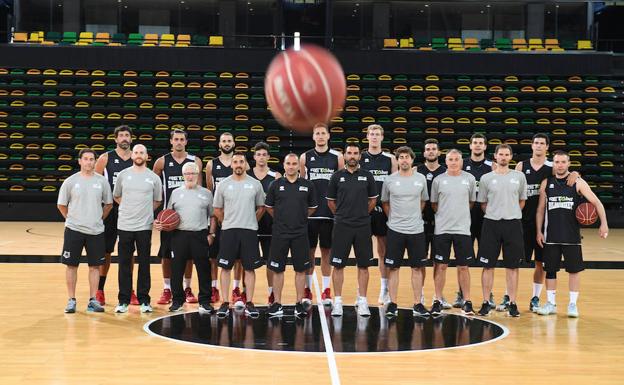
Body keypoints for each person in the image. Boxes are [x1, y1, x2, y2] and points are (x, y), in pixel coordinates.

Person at [535, 151, 608, 318]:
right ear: (553, 164)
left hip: (571, 236)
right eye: (557, 162)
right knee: (551, 271)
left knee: (574, 271)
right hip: (551, 235)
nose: (560, 165)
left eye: (563, 162)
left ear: (569, 164)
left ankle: (573, 304)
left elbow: (596, 202)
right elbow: (540, 210)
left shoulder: (577, 182)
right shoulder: (547, 183)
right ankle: (551, 303)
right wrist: (539, 231)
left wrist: (604, 223)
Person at [515, 134, 579, 312]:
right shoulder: (521, 166)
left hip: (542, 221)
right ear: (531, 145)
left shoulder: (552, 167)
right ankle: (509, 297)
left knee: (540, 262)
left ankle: (535, 297)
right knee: (514, 261)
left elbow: (565, 174)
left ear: (547, 147)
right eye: (536, 143)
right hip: (521, 219)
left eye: (542, 143)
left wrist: (575, 173)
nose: (538, 146)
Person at [58, 148, 113, 313]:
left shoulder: (102, 181)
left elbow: (108, 204)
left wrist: (98, 218)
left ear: (95, 162)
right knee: (71, 266)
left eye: (92, 159)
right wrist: (71, 219)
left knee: (94, 267)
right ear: (80, 161)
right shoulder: (70, 181)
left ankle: (93, 300)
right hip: (74, 229)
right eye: (86, 159)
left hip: (95, 231)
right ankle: (71, 300)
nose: (89, 162)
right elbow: (61, 204)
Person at [153, 129, 203, 305]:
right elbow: (154, 189)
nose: (179, 142)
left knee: (188, 256)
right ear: (171, 141)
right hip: (169, 218)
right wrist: (157, 216)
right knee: (166, 255)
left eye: (182, 139)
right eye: (176, 139)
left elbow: (201, 189)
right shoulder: (161, 162)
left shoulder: (195, 161)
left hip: (190, 218)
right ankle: (167, 289)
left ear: (186, 142)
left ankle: (187, 288)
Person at [476, 144, 527, 318]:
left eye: (507, 154)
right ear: (495, 157)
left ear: (511, 157)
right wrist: (495, 213)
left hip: (512, 224)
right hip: (491, 224)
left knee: (512, 267)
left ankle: (512, 303)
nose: (503, 157)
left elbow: (522, 200)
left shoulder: (519, 177)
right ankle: (486, 302)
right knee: (487, 265)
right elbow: (482, 203)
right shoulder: (486, 178)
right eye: (501, 154)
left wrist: (510, 212)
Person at [326, 143, 377, 317]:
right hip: (342, 226)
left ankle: (362, 301)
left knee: (363, 265)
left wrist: (361, 213)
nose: (353, 156)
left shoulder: (367, 176)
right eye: (349, 153)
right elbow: (331, 202)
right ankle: (338, 301)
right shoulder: (336, 176)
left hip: (362, 225)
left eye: (356, 153)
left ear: (360, 156)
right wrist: (342, 215)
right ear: (345, 156)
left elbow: (372, 201)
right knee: (338, 265)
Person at [156, 162, 214, 313]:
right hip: (179, 235)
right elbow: (168, 214)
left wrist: (211, 233)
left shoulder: (206, 193)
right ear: (183, 176)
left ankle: (205, 301)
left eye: (193, 173)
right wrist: (161, 224)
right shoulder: (175, 193)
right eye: (187, 173)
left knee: (203, 269)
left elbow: (213, 216)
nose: (190, 176)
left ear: (198, 175)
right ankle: (177, 300)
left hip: (200, 235)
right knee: (177, 269)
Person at [265, 154, 318, 317]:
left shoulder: (307, 185)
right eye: (288, 163)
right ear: (284, 164)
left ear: (299, 166)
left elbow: (312, 208)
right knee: (278, 269)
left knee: (301, 270)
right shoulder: (275, 184)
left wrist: (299, 218)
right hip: (280, 233)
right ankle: (277, 303)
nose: (291, 166)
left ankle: (298, 303)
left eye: (294, 164)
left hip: (300, 233)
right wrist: (282, 219)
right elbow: (269, 207)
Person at [213, 152, 265, 318]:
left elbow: (261, 207)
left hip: (249, 231)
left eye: (241, 162)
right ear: (231, 165)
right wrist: (226, 222)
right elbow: (217, 209)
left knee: (249, 268)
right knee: (226, 267)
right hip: (229, 230)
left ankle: (249, 301)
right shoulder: (223, 185)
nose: (238, 164)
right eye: (235, 162)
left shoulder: (255, 184)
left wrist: (251, 220)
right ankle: (225, 302)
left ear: (246, 164)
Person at [112, 144, 163, 313]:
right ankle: (123, 300)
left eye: (142, 152)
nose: (139, 155)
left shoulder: (153, 177)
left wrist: (145, 211)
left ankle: (144, 300)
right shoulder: (123, 175)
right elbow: (117, 195)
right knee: (124, 264)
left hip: (144, 226)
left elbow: (157, 200)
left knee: (144, 264)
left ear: (147, 156)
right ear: (132, 155)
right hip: (125, 225)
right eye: (136, 152)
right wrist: (129, 207)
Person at [380, 146, 428, 318]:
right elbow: (385, 202)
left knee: (417, 267)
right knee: (393, 268)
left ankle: (417, 303)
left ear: (412, 160)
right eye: (401, 157)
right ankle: (392, 303)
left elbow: (423, 201)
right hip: (395, 230)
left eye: (407, 157)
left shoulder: (421, 179)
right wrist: (394, 218)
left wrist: (412, 216)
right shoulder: (390, 180)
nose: (404, 160)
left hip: (416, 229)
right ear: (397, 160)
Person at [300, 123, 344, 305]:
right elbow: (301, 185)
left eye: (322, 133)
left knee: (327, 252)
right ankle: (307, 289)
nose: (320, 136)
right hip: (311, 213)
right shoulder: (305, 157)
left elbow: (343, 184)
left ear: (328, 136)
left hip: (329, 214)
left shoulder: (337, 157)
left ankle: (326, 290)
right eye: (316, 133)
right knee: (308, 253)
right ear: (313, 136)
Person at [430, 149, 477, 316]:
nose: (454, 162)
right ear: (446, 161)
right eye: (451, 159)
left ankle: (467, 301)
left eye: (457, 159)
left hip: (462, 229)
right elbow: (434, 204)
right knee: (441, 266)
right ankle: (437, 300)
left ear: (461, 161)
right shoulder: (438, 180)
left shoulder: (469, 179)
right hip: (442, 229)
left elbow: (471, 202)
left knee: (463, 267)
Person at [94, 125, 134, 306]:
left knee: (128, 252)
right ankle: (100, 289)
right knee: (106, 250)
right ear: (116, 139)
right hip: (110, 210)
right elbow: (95, 184)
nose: (124, 138)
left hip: (130, 210)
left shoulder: (137, 158)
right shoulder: (105, 158)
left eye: (127, 135)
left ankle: (129, 290)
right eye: (121, 136)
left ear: (131, 139)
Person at [204, 132, 244, 305]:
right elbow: (209, 190)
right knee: (213, 256)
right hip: (218, 216)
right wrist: (215, 216)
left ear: (234, 143)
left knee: (238, 257)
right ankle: (214, 288)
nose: (227, 143)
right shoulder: (211, 164)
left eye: (229, 140)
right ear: (219, 144)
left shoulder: (240, 163)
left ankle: (236, 288)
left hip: (237, 216)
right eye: (224, 141)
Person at [359, 124, 397, 305]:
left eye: (377, 134)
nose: (374, 137)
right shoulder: (359, 158)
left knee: (383, 251)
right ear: (367, 137)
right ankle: (362, 294)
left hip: (383, 211)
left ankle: (385, 289)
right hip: (364, 211)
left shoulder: (390, 159)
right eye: (371, 134)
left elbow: (396, 185)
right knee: (363, 252)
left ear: (382, 137)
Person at [459, 133, 494, 308]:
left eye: (481, 143)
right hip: (465, 216)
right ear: (470, 146)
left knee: (486, 256)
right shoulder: (462, 164)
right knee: (463, 256)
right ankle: (461, 292)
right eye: (475, 143)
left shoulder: (492, 166)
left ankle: (489, 295)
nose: (478, 145)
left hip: (486, 217)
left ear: (485, 146)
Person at [247, 142, 281, 304]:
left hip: (270, 225)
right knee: (247, 262)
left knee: (270, 261)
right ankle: (245, 294)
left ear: (268, 157)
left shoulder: (276, 176)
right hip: (249, 224)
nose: (261, 157)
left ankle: (271, 293)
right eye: (258, 154)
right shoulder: (246, 175)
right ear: (254, 157)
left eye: (264, 154)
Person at [415, 138, 447, 307]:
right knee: (420, 261)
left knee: (439, 262)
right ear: (424, 153)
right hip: (419, 222)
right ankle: (419, 295)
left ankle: (438, 296)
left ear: (439, 152)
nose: (431, 151)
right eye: (428, 149)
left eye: (434, 148)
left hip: (441, 223)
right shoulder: (416, 171)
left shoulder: (446, 172)